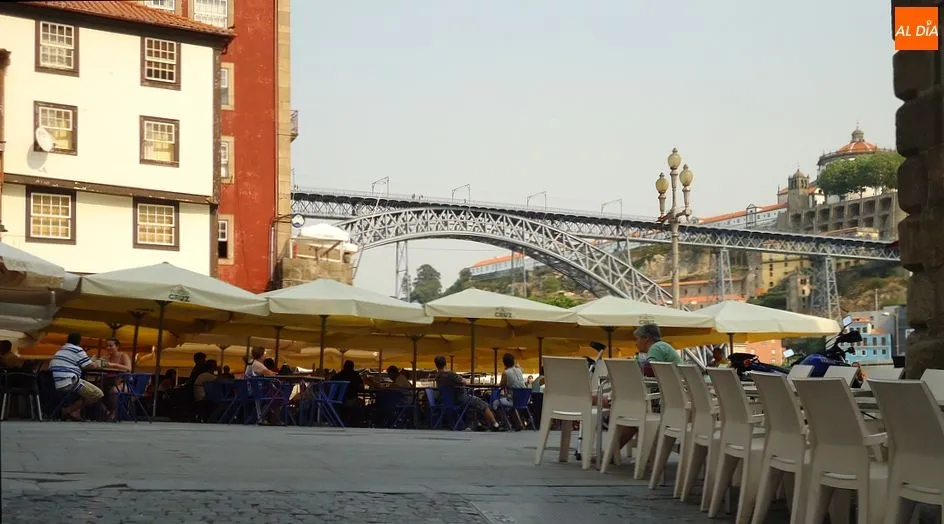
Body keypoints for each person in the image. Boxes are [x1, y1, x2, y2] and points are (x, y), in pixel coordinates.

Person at [48, 333, 107, 421]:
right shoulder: (77, 350)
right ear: (79, 341)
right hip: (70, 381)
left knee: (85, 391)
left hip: (57, 382)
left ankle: (74, 412)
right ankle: (68, 410)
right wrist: (102, 362)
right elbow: (90, 366)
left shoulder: (61, 350)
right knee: (97, 394)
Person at [433, 355, 501, 431]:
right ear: (445, 364)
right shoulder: (451, 375)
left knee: (472, 405)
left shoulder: (437, 377)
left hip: (448, 401)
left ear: (436, 365)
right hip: (461, 399)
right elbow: (464, 382)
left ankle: (476, 424)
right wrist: (462, 379)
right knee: (482, 404)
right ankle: (495, 424)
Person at [493, 353, 527, 429]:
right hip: (524, 399)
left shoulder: (505, 373)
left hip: (514, 399)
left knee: (495, 403)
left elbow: (501, 385)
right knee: (510, 404)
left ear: (504, 363)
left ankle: (505, 424)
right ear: (513, 361)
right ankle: (519, 424)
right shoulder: (519, 370)